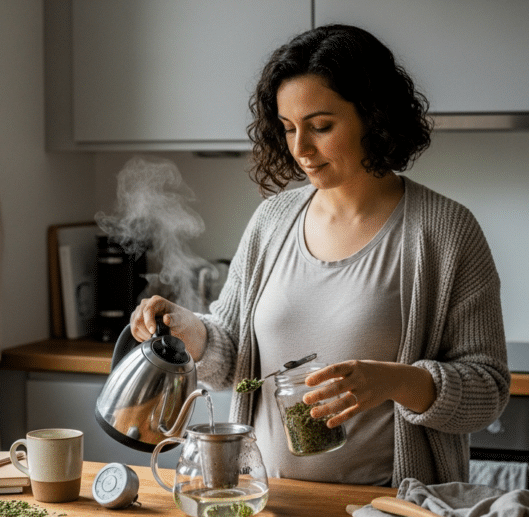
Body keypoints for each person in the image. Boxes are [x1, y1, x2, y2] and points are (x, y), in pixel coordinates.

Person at [128, 24, 509, 487]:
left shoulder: (446, 232)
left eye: (321, 127)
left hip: (394, 514)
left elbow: (488, 390)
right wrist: (192, 331)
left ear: (374, 115)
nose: (301, 150)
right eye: (288, 129)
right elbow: (231, 357)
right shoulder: (272, 220)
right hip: (267, 503)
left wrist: (392, 382)